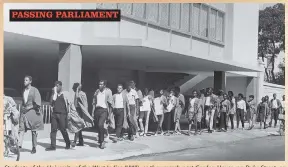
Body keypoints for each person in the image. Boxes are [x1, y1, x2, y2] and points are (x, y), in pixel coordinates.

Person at [46, 81, 84, 151]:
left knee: (63, 129)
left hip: (62, 114)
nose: (56, 87)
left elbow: (70, 104)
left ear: (60, 86)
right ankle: (53, 146)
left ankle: (68, 143)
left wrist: (70, 114)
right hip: (54, 114)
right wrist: (53, 94)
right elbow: (51, 103)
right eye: (55, 86)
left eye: (57, 86)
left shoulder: (65, 94)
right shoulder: (54, 94)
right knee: (53, 130)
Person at [18, 76, 44, 154]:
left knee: (34, 131)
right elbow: (23, 102)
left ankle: (34, 147)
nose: (24, 81)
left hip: (32, 112)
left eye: (26, 80)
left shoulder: (35, 90)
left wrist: (29, 108)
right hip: (24, 112)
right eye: (24, 80)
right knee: (21, 129)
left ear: (30, 81)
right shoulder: (24, 91)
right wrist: (22, 110)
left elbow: (37, 103)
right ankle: (19, 146)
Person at [92, 80, 113, 149]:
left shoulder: (107, 92)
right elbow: (94, 102)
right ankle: (101, 138)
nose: (99, 85)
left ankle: (102, 141)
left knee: (101, 124)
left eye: (101, 84)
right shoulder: (97, 92)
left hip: (104, 110)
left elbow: (110, 104)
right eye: (99, 84)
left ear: (104, 85)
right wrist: (93, 112)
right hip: (97, 110)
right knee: (98, 126)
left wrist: (109, 115)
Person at [71, 83, 94, 147]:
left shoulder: (82, 94)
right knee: (78, 127)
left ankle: (75, 141)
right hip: (77, 111)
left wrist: (78, 90)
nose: (72, 89)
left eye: (74, 88)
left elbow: (83, 103)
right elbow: (75, 103)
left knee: (77, 126)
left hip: (81, 111)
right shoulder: (76, 93)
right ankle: (81, 141)